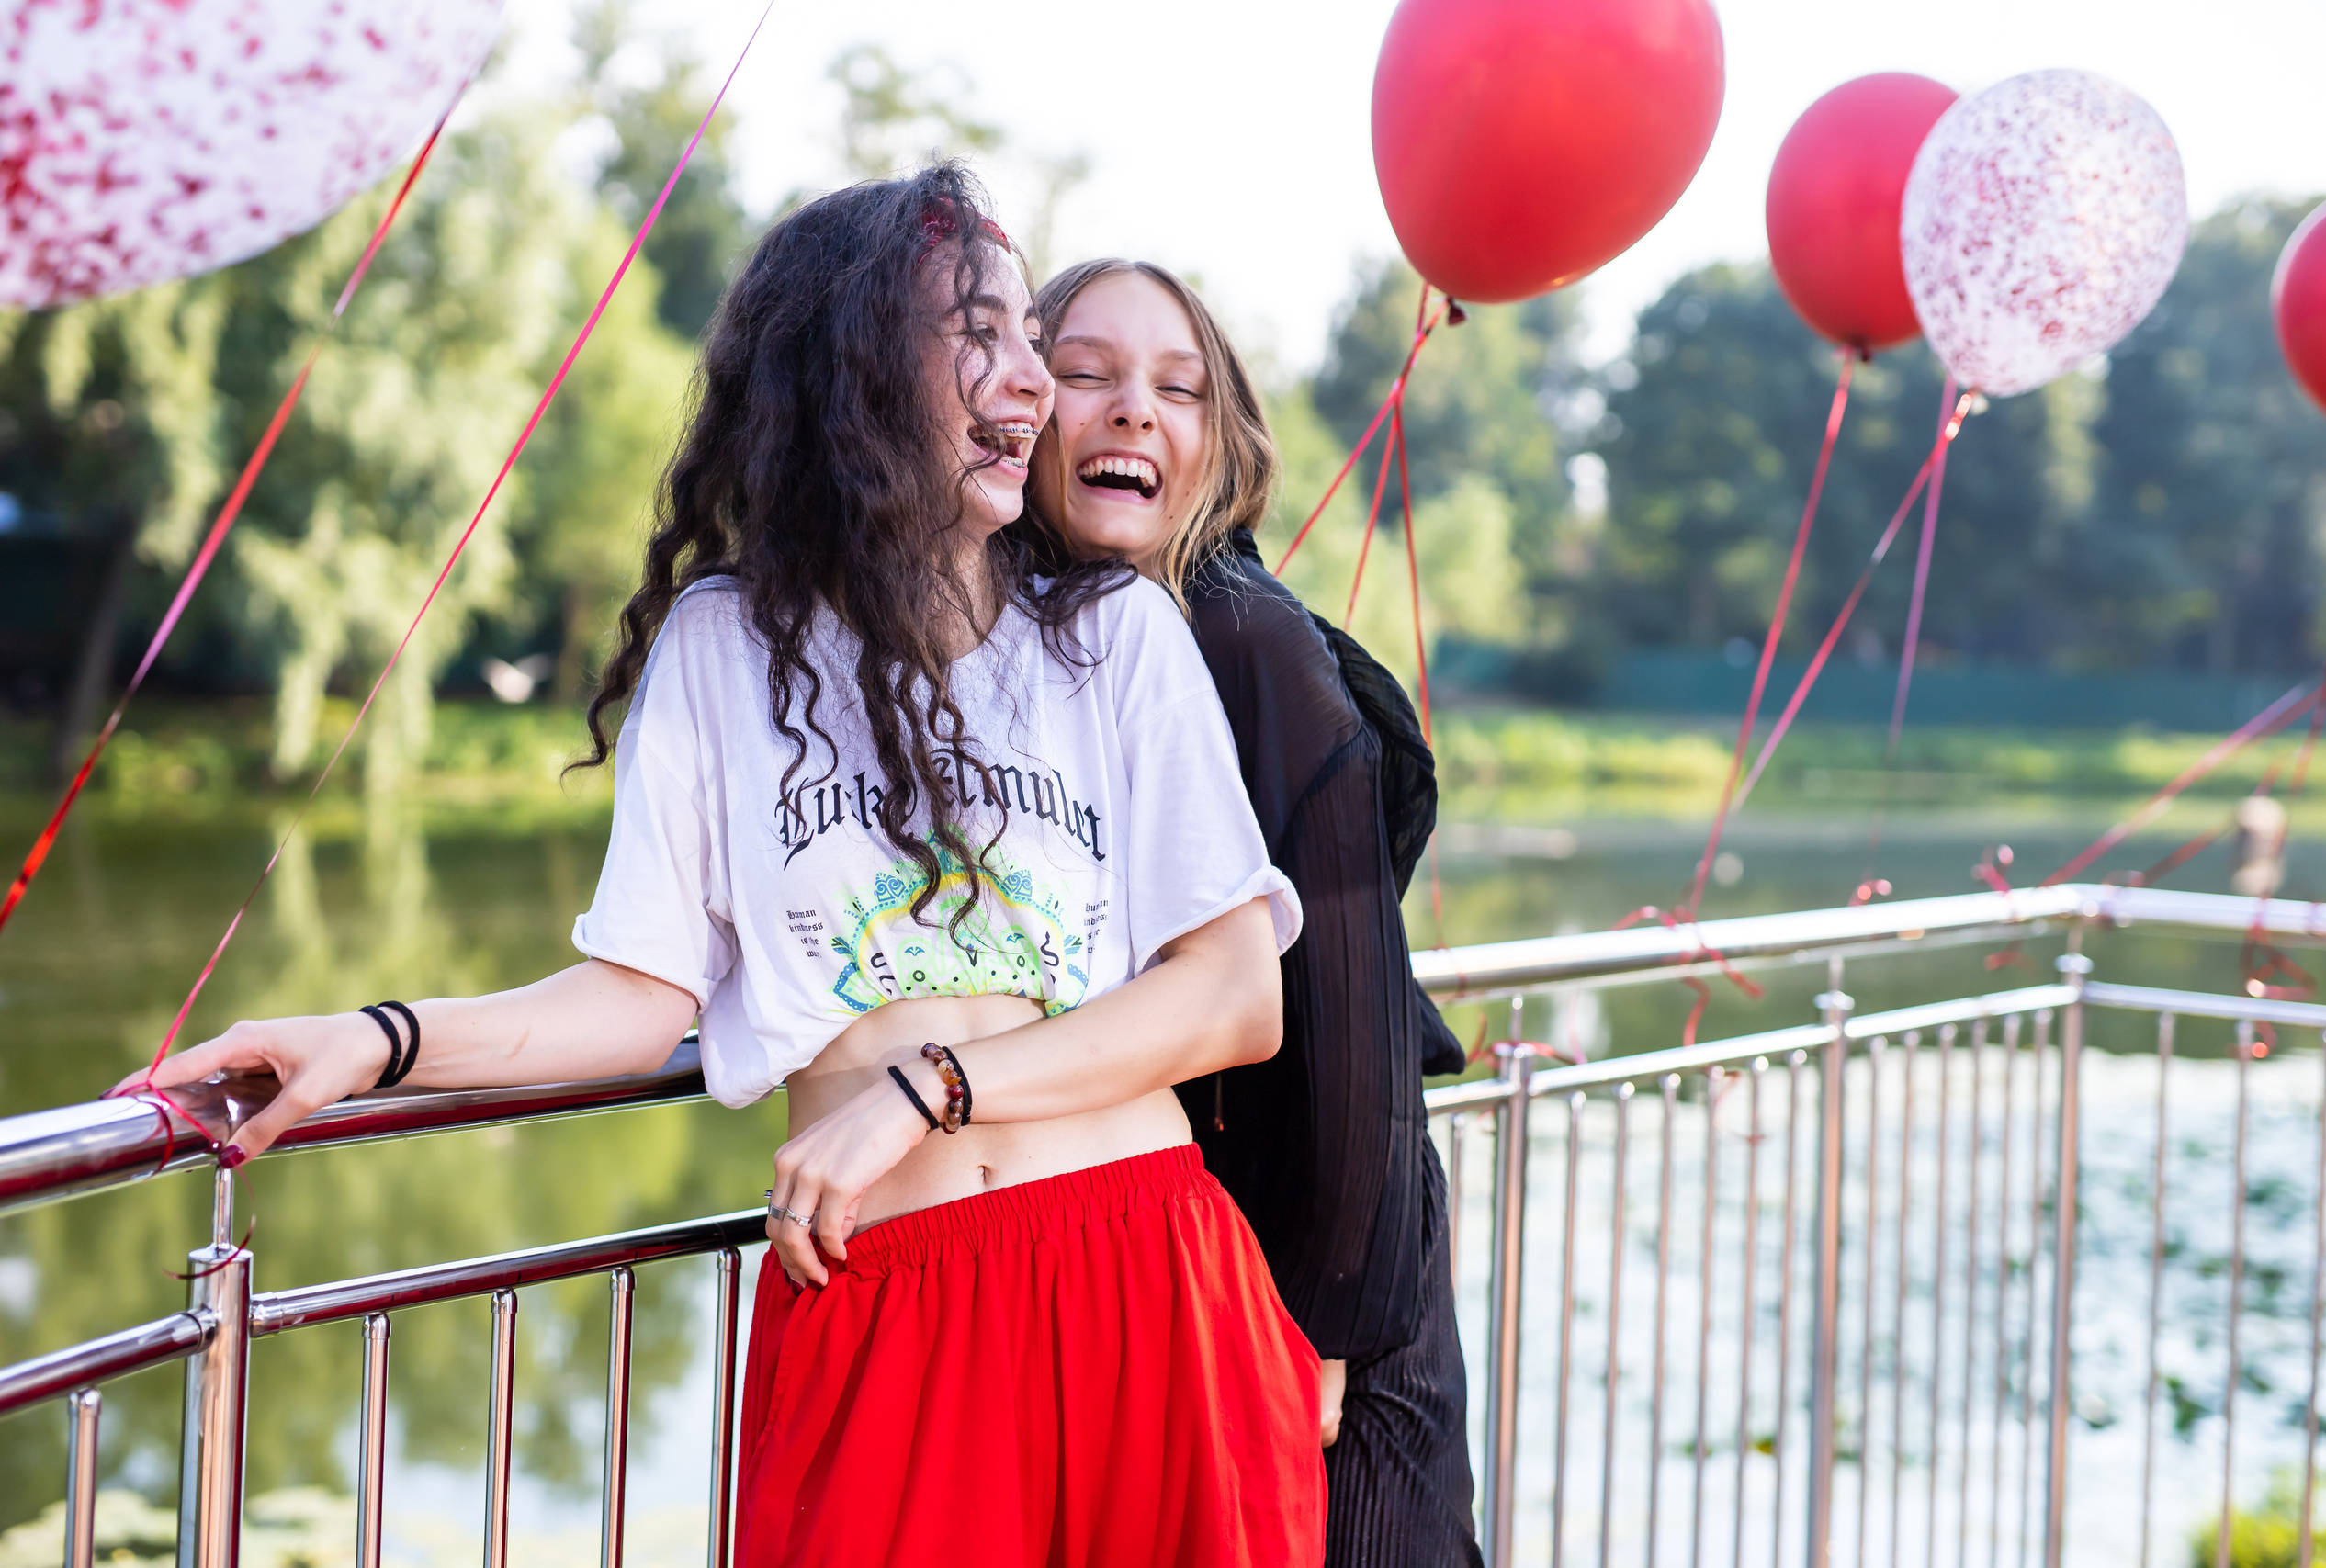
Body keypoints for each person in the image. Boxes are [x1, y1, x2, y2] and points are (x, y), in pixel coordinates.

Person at [116, 169, 1327, 1567]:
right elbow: (634, 999)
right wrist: (376, 1039)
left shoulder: (1110, 636)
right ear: (857, 373)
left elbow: (1237, 995)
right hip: (888, 1307)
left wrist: (927, 1093)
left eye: (1028, 344)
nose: (1032, 386)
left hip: (1142, 1279)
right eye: (978, 337)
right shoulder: (723, 648)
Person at [1021, 258, 1480, 1568]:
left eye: (1178, 389)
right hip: (1155, 1267)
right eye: (1086, 374)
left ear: (1217, 445)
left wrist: (1321, 1337)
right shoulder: (1042, 640)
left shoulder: (1247, 642)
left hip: (1320, 1299)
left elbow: (1351, 1040)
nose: (1131, 412)